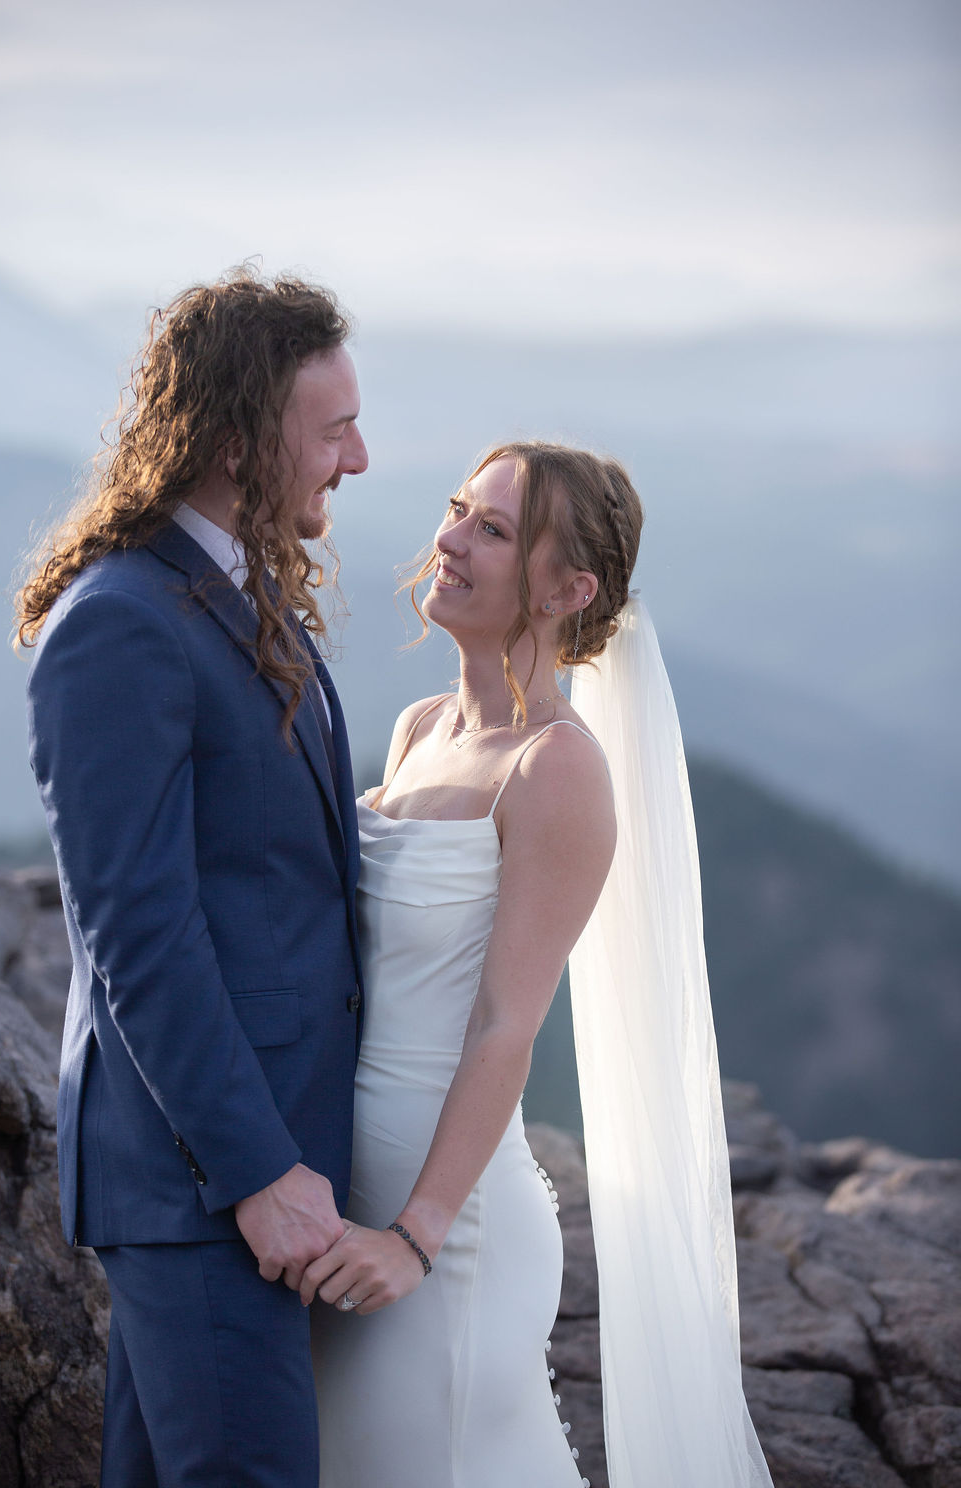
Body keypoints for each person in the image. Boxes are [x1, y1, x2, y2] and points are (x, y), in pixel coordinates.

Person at [306, 441, 774, 1488]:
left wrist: (414, 1241)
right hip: (340, 1216)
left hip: (444, 1239)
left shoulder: (555, 767)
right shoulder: (418, 729)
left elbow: (503, 1024)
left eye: (494, 529)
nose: (450, 540)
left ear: (571, 589)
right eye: (458, 511)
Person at [16, 267, 368, 1488]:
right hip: (205, 1183)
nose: (360, 458)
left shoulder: (241, 583)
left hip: (255, 1168)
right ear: (232, 439)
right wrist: (259, 1174)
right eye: (332, 431)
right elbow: (140, 934)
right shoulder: (121, 620)